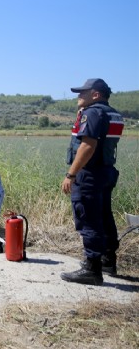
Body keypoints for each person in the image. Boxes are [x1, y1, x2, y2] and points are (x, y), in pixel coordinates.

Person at [60, 78, 124, 286]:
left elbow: (88, 146)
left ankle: (92, 269)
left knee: (88, 217)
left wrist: (71, 175)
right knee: (104, 215)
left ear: (96, 94)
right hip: (106, 171)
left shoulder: (92, 113)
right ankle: (107, 260)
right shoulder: (113, 113)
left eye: (83, 92)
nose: (79, 96)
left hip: (90, 174)